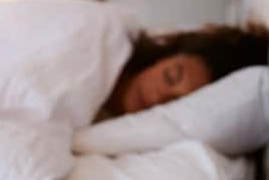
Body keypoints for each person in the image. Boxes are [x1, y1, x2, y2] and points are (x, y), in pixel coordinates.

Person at [103, 23, 269, 116]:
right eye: (170, 77)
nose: (156, 98)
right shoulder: (106, 44)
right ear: (164, 55)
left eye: (175, 102)